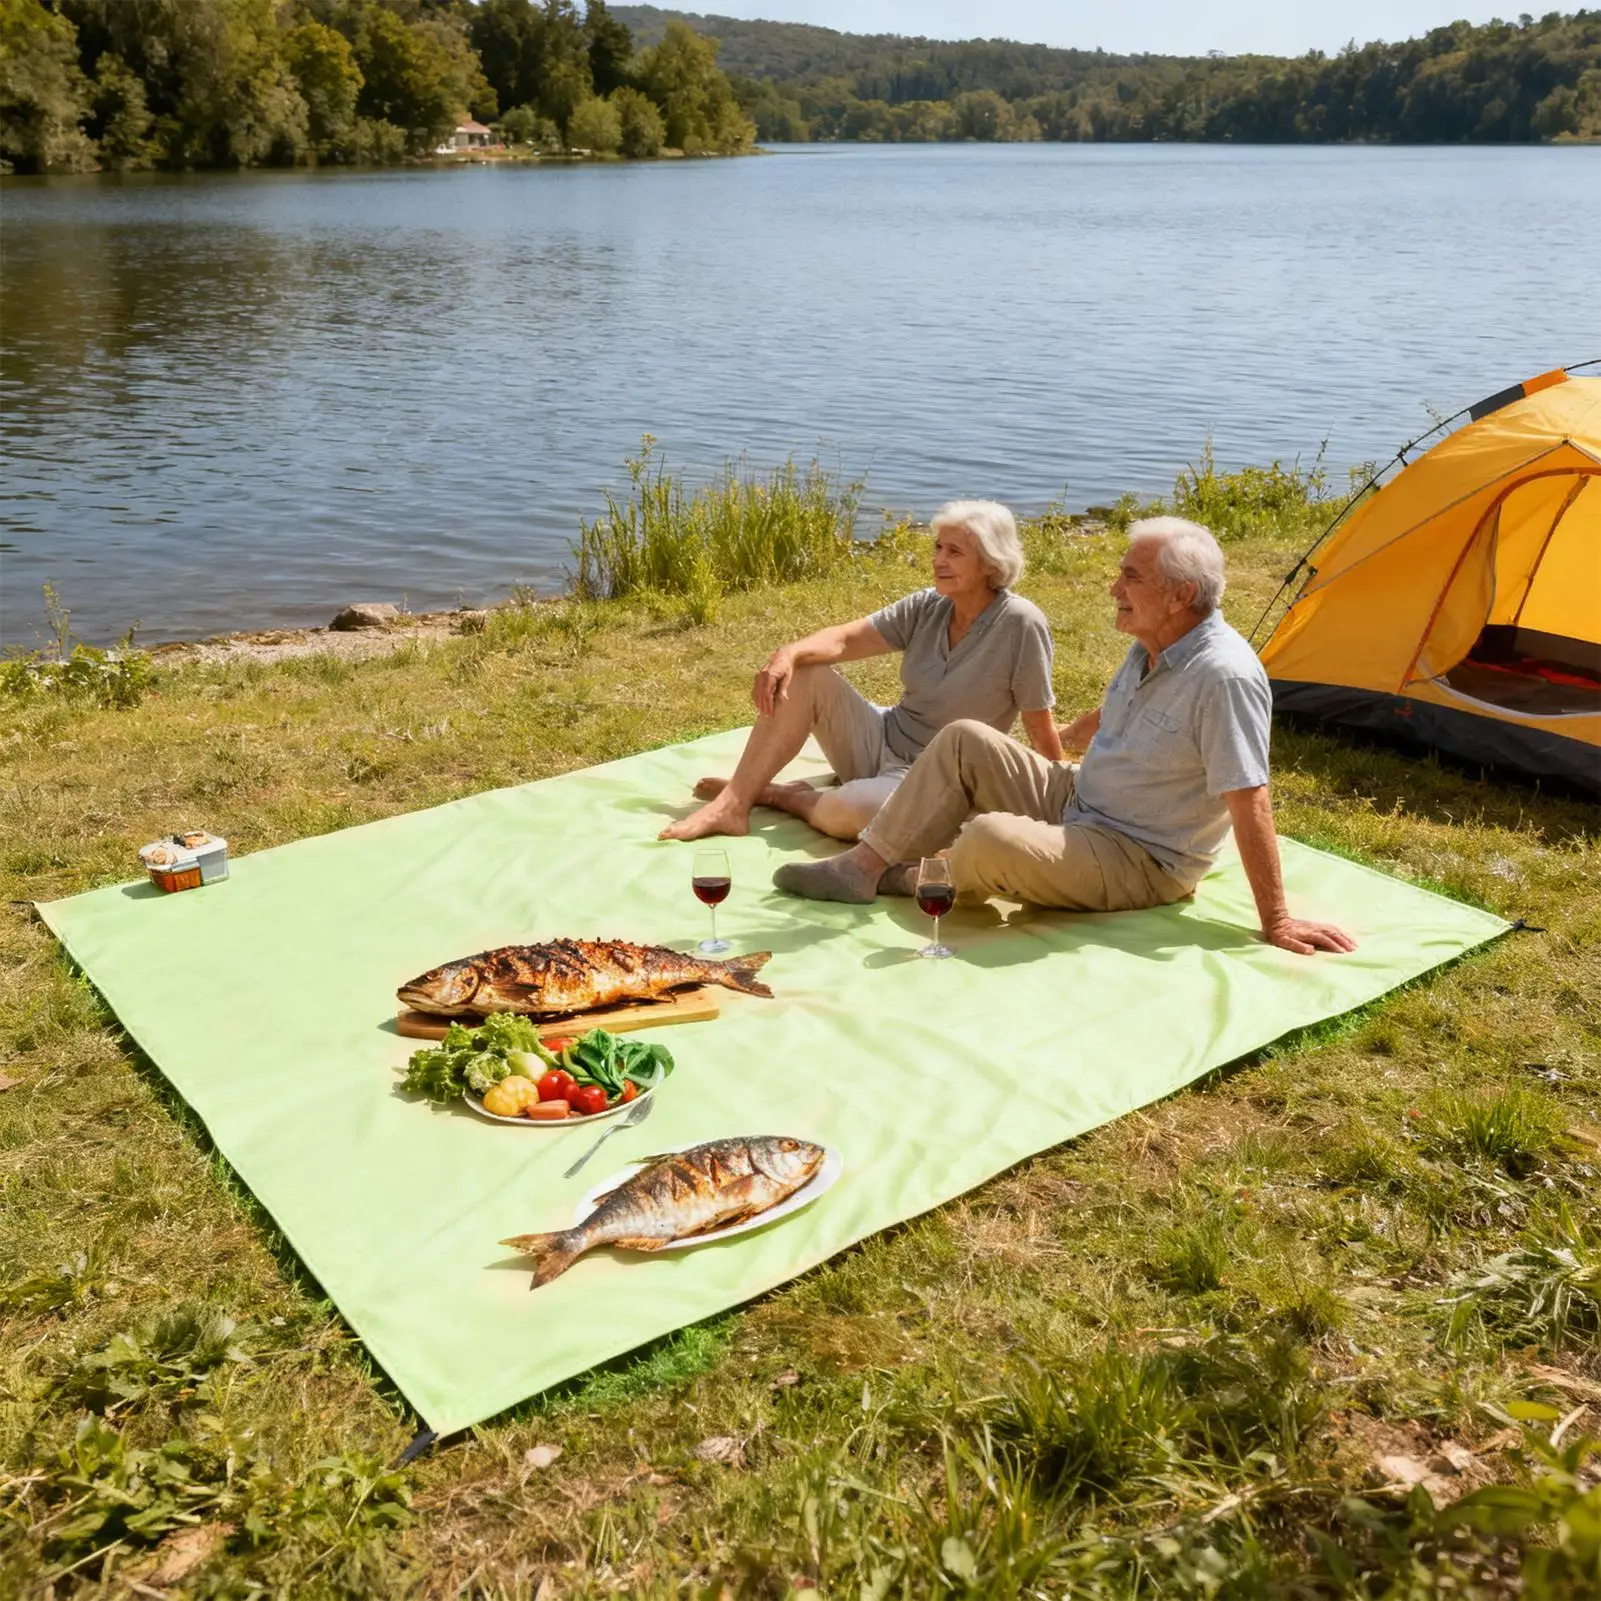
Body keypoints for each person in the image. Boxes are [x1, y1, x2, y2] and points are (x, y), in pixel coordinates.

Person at [773, 517, 1357, 957]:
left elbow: (1249, 793)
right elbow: (1135, 704)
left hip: (1138, 855)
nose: (1113, 588)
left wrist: (1276, 919)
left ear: (1180, 596)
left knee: (989, 838)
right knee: (963, 738)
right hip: (1081, 800)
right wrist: (1080, 734)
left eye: (1131, 576)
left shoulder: (1224, 677)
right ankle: (863, 867)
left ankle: (916, 876)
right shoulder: (1153, 639)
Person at [658, 500, 1063, 842]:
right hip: (881, 739)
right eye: (938, 548)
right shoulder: (928, 606)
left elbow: (1038, 724)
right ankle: (734, 803)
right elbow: (845, 640)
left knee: (852, 810)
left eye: (954, 552)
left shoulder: (1020, 624)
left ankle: (781, 796)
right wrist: (789, 653)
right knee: (807, 670)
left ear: (991, 562)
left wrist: (1058, 807)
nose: (938, 560)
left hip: (938, 780)